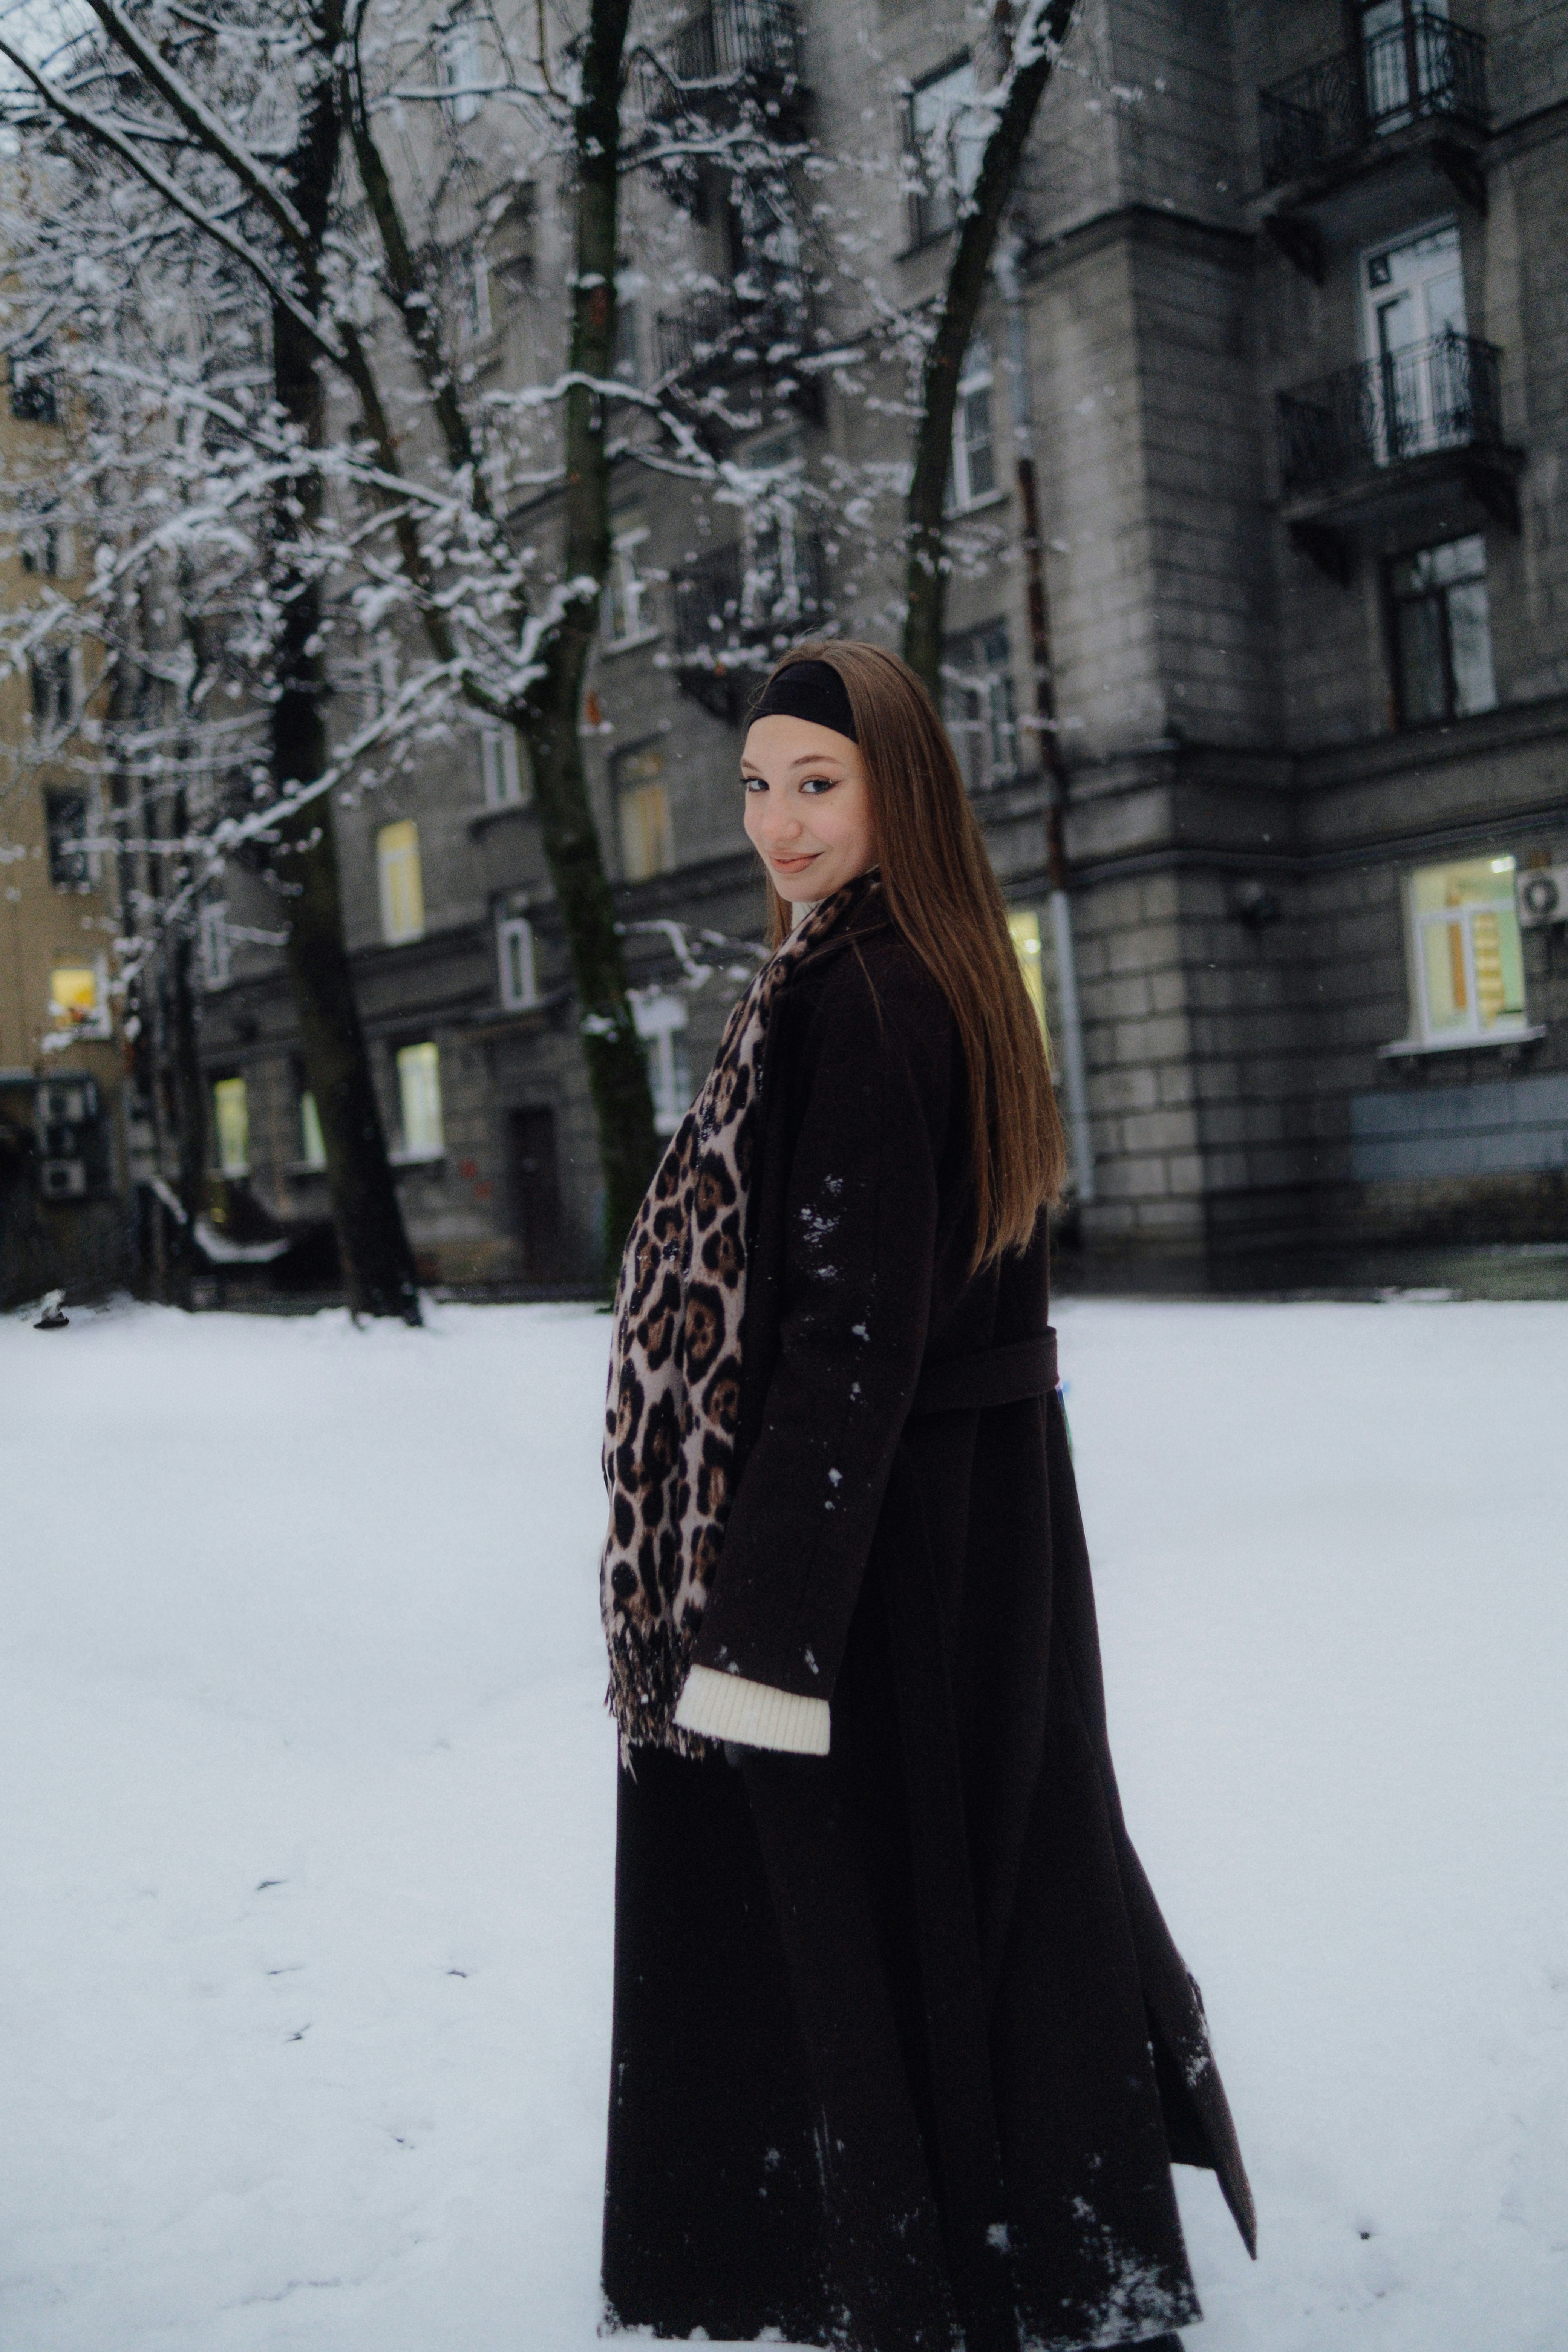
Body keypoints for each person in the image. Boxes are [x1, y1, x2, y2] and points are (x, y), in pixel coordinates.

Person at [597, 642, 1254, 2352]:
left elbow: (846, 1340)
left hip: (884, 1546)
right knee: (989, 1883)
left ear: (900, 783)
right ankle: (1020, 2247)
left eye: (816, 782)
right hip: (951, 1527)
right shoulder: (900, 969)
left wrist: (757, 1635)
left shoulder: (872, 995)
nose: (777, 822)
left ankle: (918, 2266)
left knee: (885, 1908)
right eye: (756, 787)